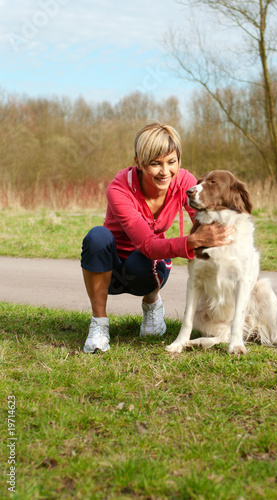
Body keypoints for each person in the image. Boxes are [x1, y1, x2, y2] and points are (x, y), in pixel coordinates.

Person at [81, 122, 235, 353]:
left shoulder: (184, 182)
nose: (165, 171)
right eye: (155, 163)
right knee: (97, 236)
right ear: (139, 163)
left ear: (179, 160)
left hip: (146, 269)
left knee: (143, 258)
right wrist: (192, 241)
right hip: (110, 271)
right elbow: (147, 243)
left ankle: (152, 305)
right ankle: (99, 325)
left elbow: (204, 221)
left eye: (171, 162)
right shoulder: (119, 188)